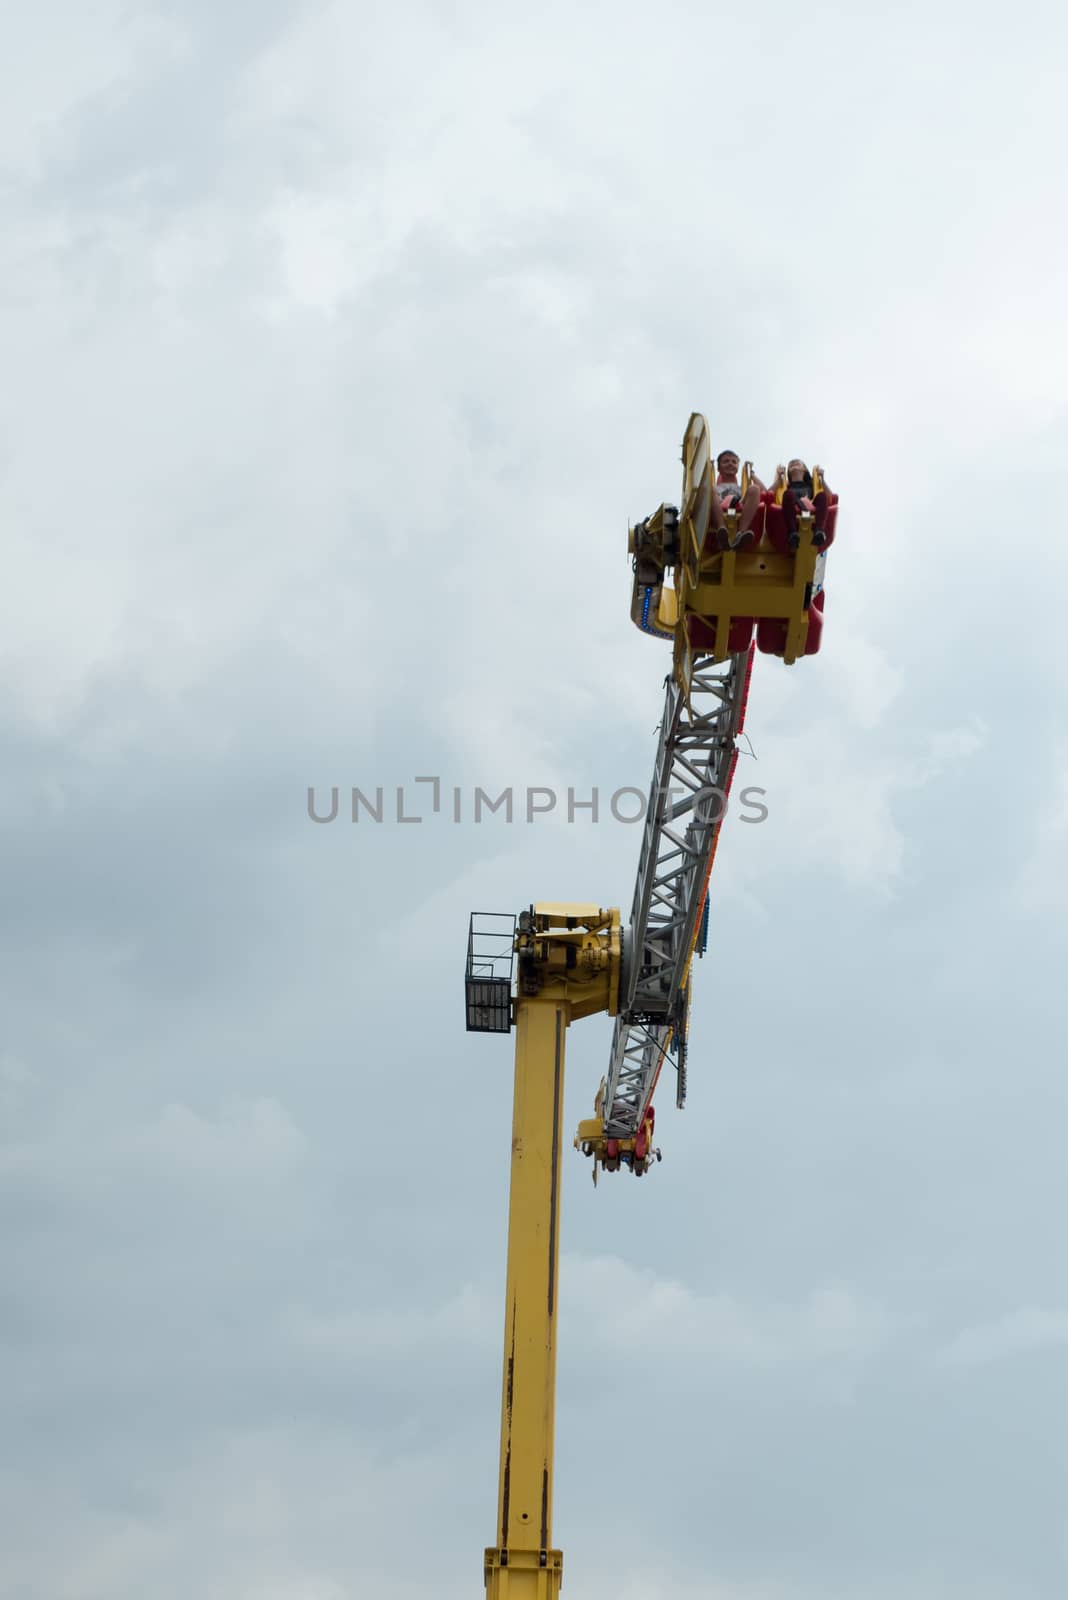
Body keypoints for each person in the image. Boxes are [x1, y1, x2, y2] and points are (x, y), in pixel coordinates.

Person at [709, 450, 766, 551]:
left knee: (754, 489)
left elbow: (765, 492)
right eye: (726, 461)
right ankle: (721, 529)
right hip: (720, 504)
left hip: (738, 504)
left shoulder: (742, 488)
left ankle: (741, 533)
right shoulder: (715, 487)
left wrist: (751, 474)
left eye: (734, 462)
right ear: (719, 468)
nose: (730, 464)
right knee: (710, 489)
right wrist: (707, 470)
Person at [770, 459, 832, 549]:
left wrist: (822, 479)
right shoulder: (786, 488)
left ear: (805, 469)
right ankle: (792, 533)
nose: (793, 463)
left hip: (810, 507)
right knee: (788, 494)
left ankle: (819, 531)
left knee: (822, 496)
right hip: (791, 508)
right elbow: (767, 495)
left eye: (797, 463)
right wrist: (779, 478)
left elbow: (831, 498)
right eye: (791, 464)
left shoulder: (811, 486)